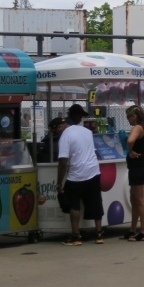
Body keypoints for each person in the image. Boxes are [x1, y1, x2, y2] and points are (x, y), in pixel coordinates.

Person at [57, 104, 104, 246]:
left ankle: (75, 235)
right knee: (95, 202)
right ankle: (99, 234)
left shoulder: (66, 134)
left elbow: (63, 161)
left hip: (76, 174)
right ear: (80, 117)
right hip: (93, 171)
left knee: (74, 205)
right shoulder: (87, 131)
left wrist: (59, 182)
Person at [124, 105, 144, 241]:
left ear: (134, 116)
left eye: (128, 117)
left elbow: (130, 140)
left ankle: (143, 231)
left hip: (137, 167)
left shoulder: (137, 127)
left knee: (139, 199)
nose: (128, 120)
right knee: (134, 198)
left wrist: (130, 151)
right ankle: (132, 229)